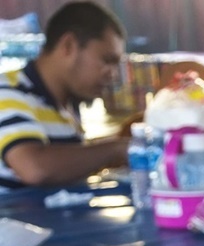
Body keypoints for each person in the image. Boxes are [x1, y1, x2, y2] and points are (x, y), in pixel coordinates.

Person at [0, 2, 127, 191]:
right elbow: (35, 169)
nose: (113, 74)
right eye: (107, 61)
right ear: (69, 45)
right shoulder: (8, 91)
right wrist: (118, 149)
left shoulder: (66, 106)